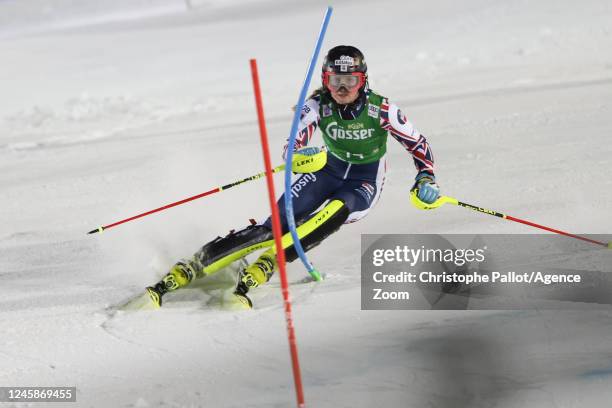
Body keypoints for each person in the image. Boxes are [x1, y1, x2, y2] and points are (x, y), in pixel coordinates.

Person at [144, 45, 440, 308]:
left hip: (363, 183)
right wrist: (298, 158)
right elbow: (292, 146)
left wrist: (426, 178)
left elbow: (417, 143)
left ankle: (268, 264)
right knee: (274, 226)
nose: (342, 88)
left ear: (363, 81)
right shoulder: (317, 105)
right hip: (327, 170)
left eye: (351, 81)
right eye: (336, 81)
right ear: (326, 80)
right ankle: (193, 266)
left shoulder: (382, 110)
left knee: (334, 211)